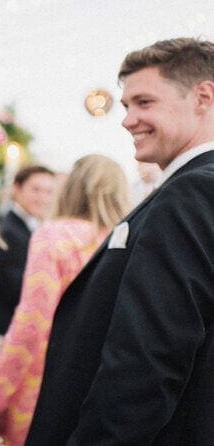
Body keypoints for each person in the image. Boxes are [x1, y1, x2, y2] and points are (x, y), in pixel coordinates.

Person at [27, 37, 214, 444]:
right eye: (127, 106)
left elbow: (147, 359)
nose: (128, 119)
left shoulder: (189, 194)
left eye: (144, 102)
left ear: (203, 96)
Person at [0, 154, 130, 445]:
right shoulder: (125, 241)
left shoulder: (55, 236)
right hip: (99, 387)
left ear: (72, 187)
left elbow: (32, 322)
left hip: (45, 384)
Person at [0, 165, 56, 338]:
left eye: (48, 192)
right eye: (36, 190)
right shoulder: (8, 232)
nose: (43, 198)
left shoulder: (28, 228)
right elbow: (16, 287)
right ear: (16, 188)